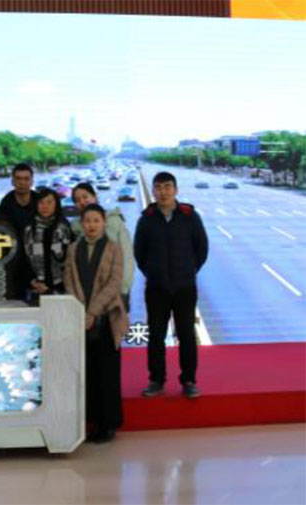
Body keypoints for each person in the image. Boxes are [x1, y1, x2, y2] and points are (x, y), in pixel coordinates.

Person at [134, 171, 208, 399]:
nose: (163, 192)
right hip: (156, 289)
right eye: (158, 187)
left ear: (176, 190)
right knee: (156, 335)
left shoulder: (189, 217)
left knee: (186, 334)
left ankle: (189, 380)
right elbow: (139, 253)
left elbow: (202, 249)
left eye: (167, 187)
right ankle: (156, 380)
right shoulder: (147, 219)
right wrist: (153, 273)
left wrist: (188, 271)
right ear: (153, 191)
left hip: (185, 287)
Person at [64, 203, 128, 443]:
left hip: (106, 318)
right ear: (82, 224)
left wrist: (92, 312)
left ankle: (108, 424)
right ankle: (89, 422)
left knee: (107, 373)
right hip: (80, 319)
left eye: (96, 221)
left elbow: (114, 283)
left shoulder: (113, 248)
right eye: (87, 221)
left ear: (103, 223)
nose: (91, 225)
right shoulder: (73, 249)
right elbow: (69, 281)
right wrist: (81, 310)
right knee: (87, 372)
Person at [71, 182, 134, 311]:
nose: (82, 202)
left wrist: (124, 288)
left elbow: (127, 256)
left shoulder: (114, 220)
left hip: (115, 291)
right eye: (77, 200)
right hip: (88, 293)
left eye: (85, 197)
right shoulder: (75, 227)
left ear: (95, 197)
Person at [22, 187, 74, 297]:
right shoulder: (29, 229)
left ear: (56, 205)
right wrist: (32, 281)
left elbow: (70, 260)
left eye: (49, 202)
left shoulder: (63, 228)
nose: (45, 206)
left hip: (61, 285)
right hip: (35, 286)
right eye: (41, 202)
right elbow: (23, 258)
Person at [0, 163, 38, 299]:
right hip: (13, 265)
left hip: (37, 263)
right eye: (18, 179)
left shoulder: (39, 202)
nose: (22, 182)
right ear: (12, 181)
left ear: (32, 181)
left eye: (26, 179)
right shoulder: (5, 205)